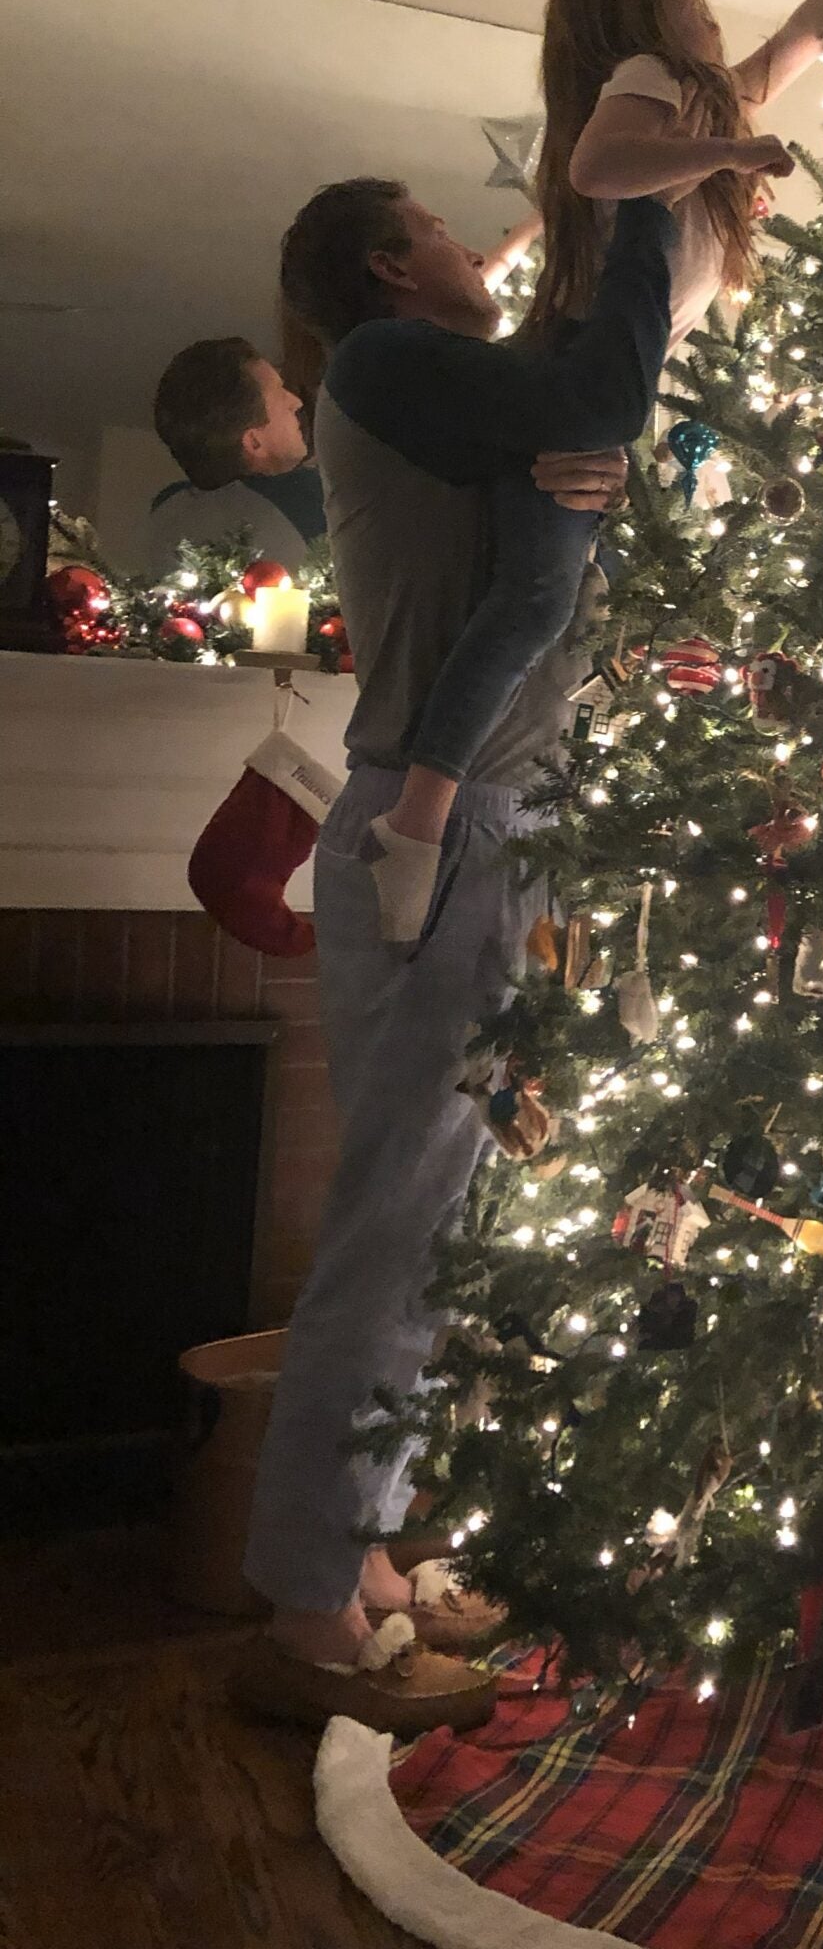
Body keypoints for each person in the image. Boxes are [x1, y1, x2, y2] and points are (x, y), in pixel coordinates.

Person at [232, 176, 675, 1735]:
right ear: (382, 264)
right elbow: (602, 386)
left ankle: (353, 1561)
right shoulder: (378, 362)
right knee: (394, 1227)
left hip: (483, 818)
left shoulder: (442, 401)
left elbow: (552, 505)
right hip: (445, 819)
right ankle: (301, 1597)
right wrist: (643, 207)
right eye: (430, 223)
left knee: (427, 1223)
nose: (456, 237)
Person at [362, 0, 823, 944]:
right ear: (635, 24)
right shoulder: (648, 81)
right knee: (535, 598)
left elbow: (813, 24)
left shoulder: (697, 93)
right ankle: (416, 823)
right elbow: (599, 167)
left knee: (560, 605)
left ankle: (458, 817)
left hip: (601, 376)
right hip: (575, 368)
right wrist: (732, 149)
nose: (706, 8)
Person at [144, 336, 326, 575]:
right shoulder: (311, 496)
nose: (296, 402)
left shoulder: (167, 508)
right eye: (280, 393)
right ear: (254, 442)